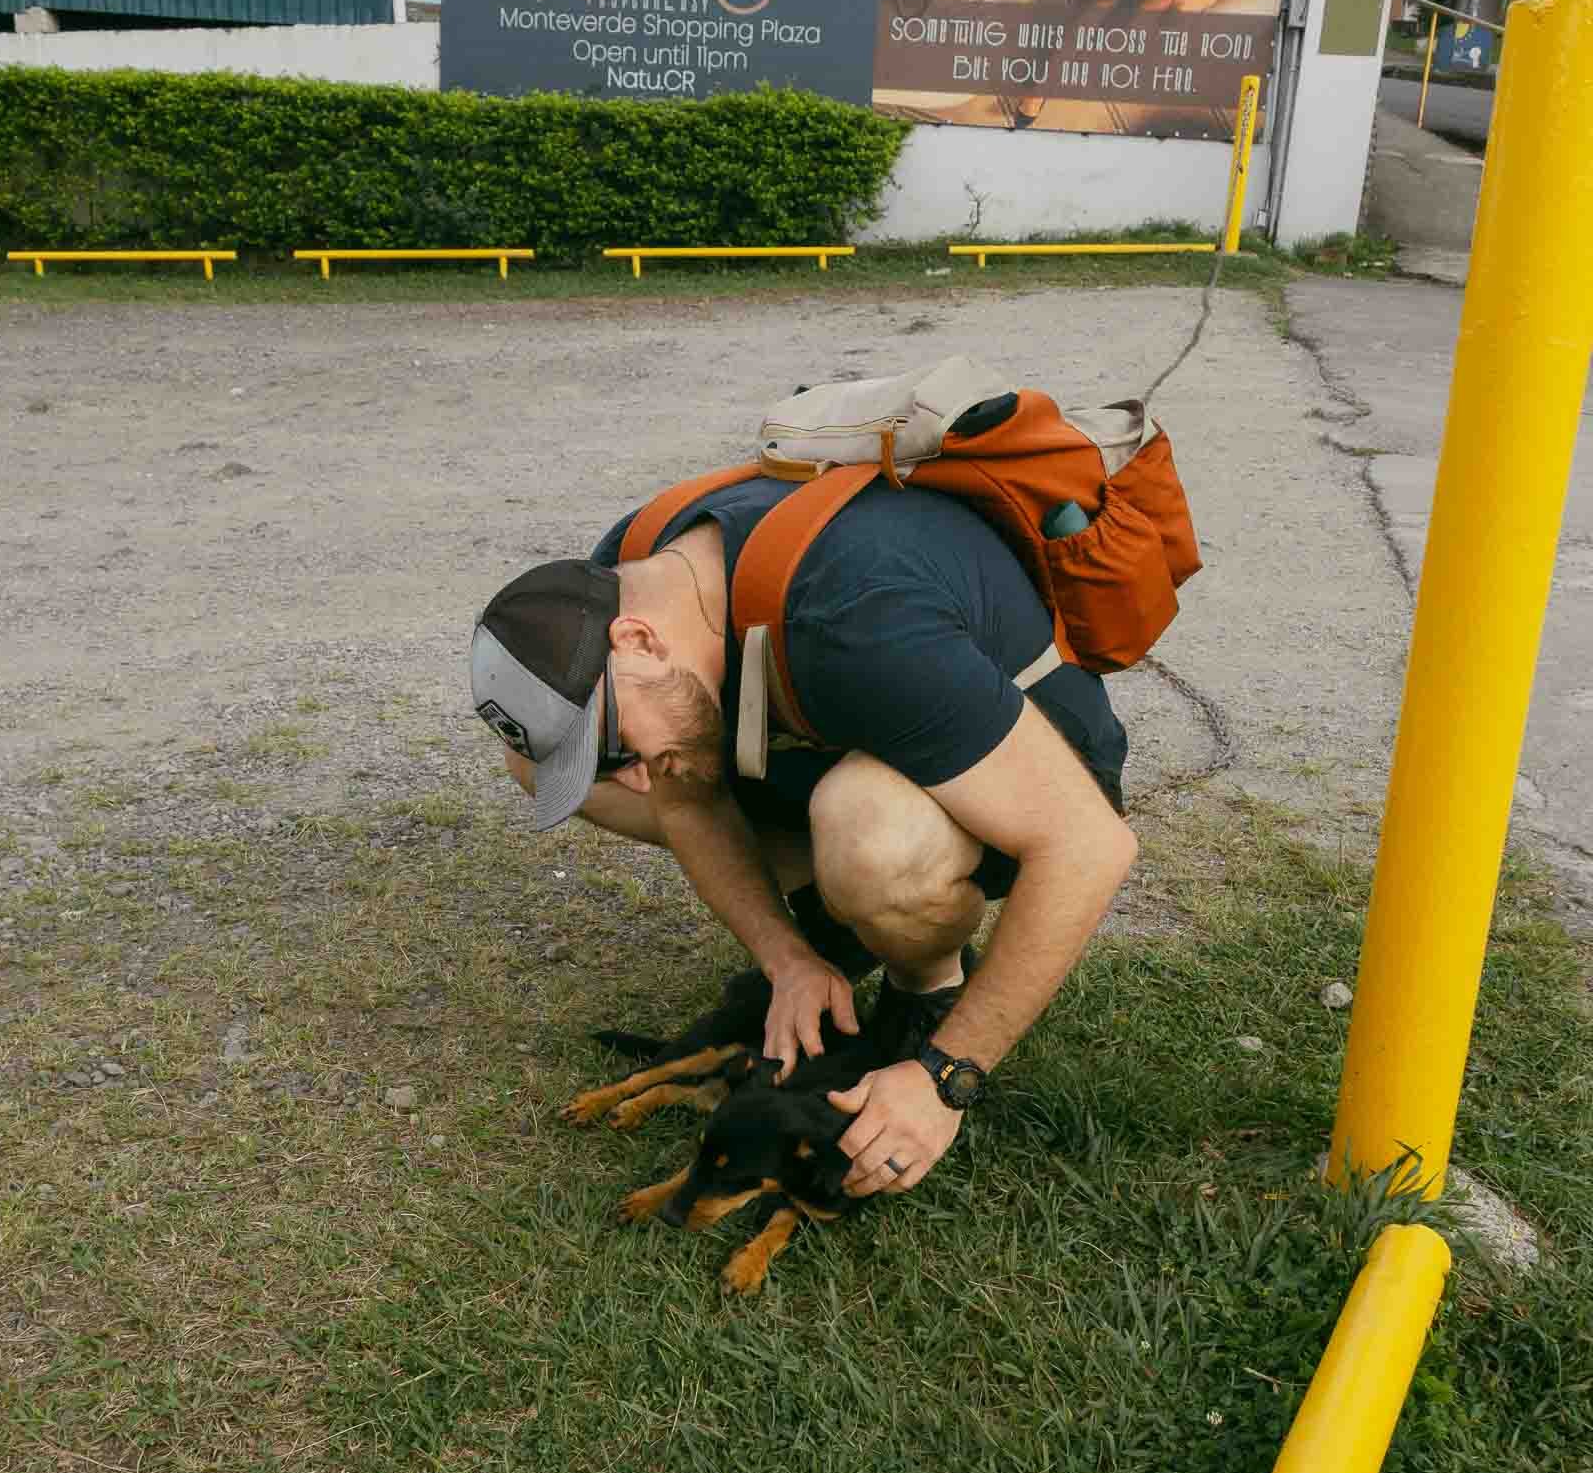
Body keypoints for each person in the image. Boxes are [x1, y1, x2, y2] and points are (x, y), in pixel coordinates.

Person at [471, 474, 1137, 1201]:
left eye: (616, 744)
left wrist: (948, 1077)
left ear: (636, 641)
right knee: (537, 763)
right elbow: (687, 804)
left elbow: (1089, 845)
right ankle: (836, 933)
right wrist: (785, 958)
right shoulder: (630, 575)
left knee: (868, 839)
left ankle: (925, 988)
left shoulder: (855, 619)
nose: (632, 780)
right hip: (854, 729)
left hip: (1028, 767)